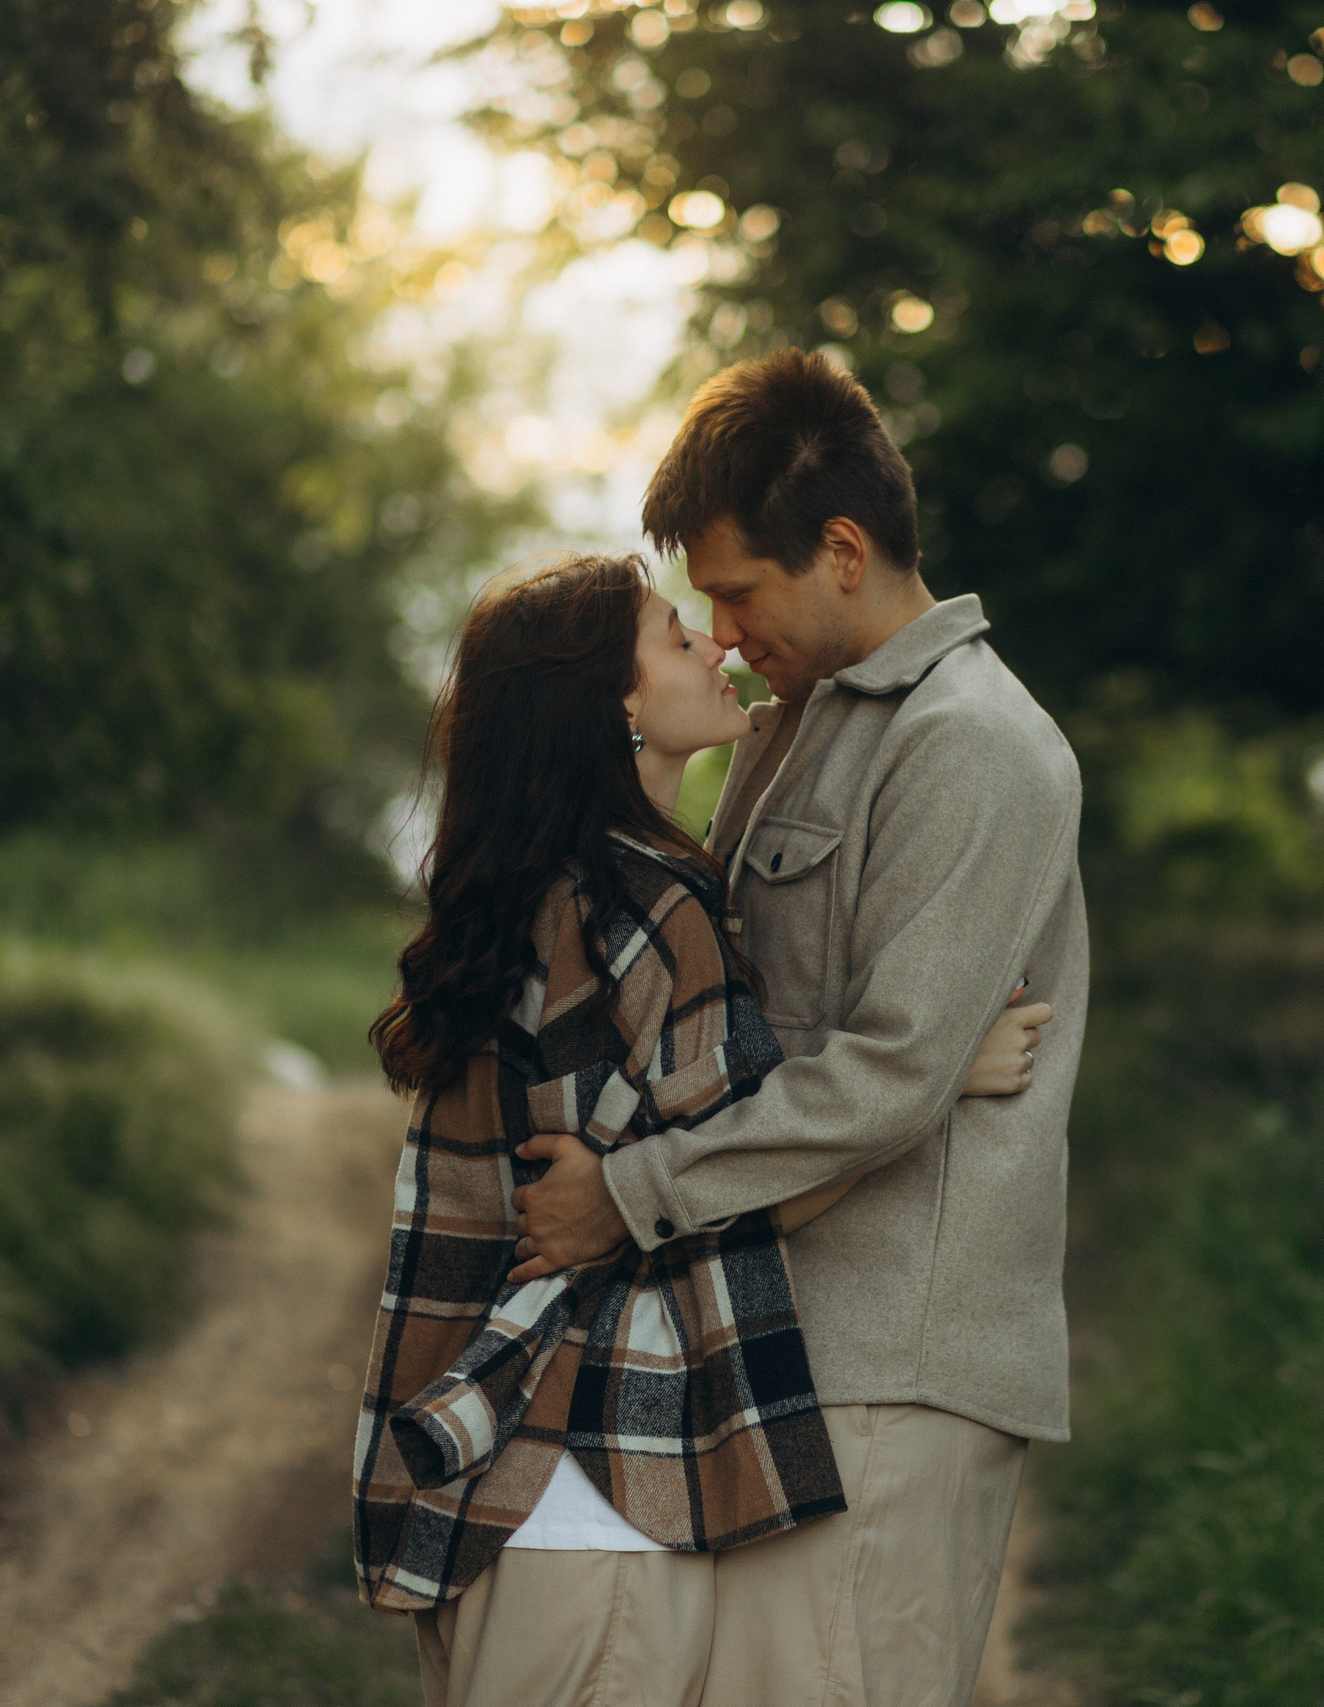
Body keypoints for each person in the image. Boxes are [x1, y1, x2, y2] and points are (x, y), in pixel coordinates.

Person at [351, 551, 1052, 1707]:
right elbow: (744, 1184)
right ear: (616, 705)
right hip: (598, 1489)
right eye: (678, 638)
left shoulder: (539, 890)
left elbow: (670, 1148)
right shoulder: (652, 905)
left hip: (496, 1496)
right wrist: (931, 1077)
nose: (717, 644)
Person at [511, 351, 1089, 1707]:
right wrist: (933, 1077)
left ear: (840, 549)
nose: (719, 628)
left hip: (896, 1363)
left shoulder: (976, 743)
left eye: (735, 590)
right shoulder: (790, 732)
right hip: (780, 1345)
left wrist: (630, 1193)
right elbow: (747, 1023)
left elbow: (883, 1071)